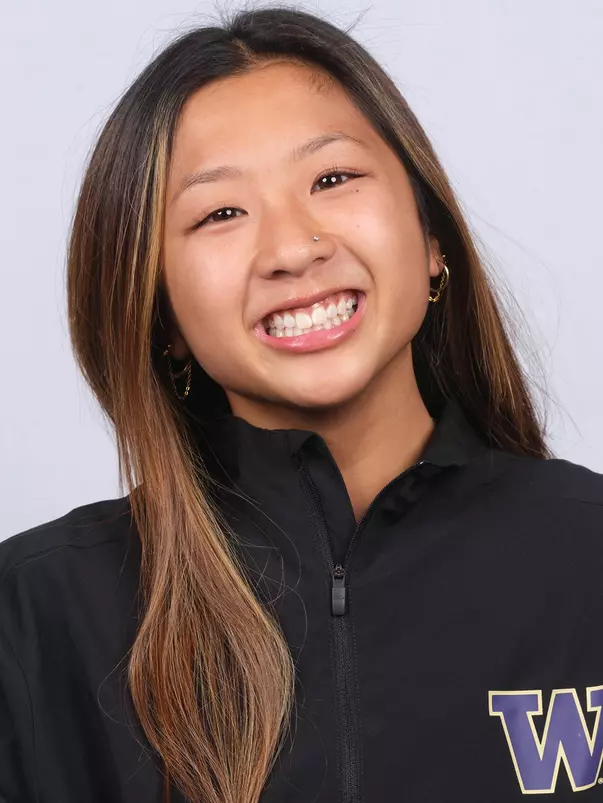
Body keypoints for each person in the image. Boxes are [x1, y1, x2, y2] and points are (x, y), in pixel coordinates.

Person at [1, 5, 602, 803]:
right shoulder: (38, 615)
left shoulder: (585, 555)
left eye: (332, 178)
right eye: (220, 213)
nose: (291, 248)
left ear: (430, 239)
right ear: (162, 315)